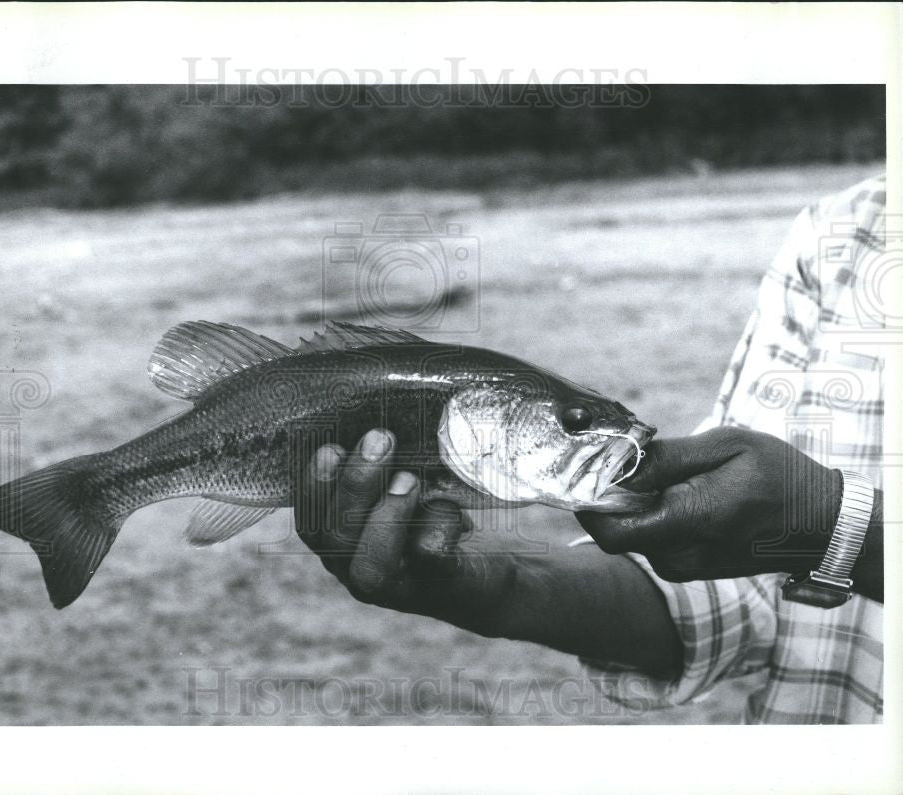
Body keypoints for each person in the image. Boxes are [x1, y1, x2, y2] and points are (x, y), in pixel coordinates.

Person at [293, 175, 886, 724]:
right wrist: (503, 587)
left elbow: (802, 533)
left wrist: (846, 532)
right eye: (576, 422)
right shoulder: (842, 232)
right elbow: (742, 597)